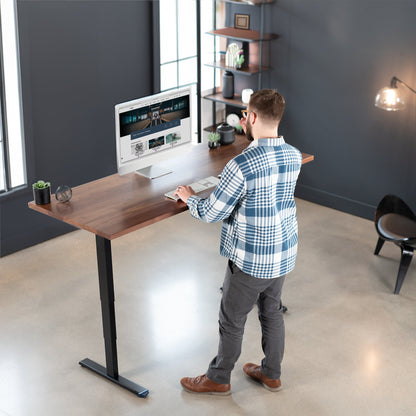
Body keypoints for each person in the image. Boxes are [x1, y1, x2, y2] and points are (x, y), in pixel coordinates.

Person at [174, 89, 302, 396]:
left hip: (250, 261)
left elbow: (212, 212)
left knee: (231, 320)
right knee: (271, 312)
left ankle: (218, 378)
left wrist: (190, 198)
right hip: (282, 254)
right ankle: (271, 374)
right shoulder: (294, 155)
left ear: (253, 117)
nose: (244, 119)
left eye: (245, 113)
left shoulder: (241, 165)